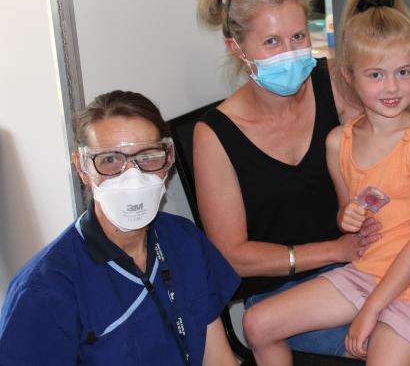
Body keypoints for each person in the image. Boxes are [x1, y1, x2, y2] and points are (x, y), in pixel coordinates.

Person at [194, 0, 410, 363]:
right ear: (237, 47)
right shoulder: (214, 134)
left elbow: (398, 173)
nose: (291, 52)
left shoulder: (335, 83)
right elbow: (232, 255)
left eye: (299, 36)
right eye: (272, 41)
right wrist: (334, 250)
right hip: (300, 279)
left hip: (374, 256)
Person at [244, 0, 410, 365]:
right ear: (350, 76)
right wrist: (348, 217)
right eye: (376, 74)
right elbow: (349, 215)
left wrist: (371, 311)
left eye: (403, 72)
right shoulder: (338, 143)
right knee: (257, 323)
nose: (391, 87)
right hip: (368, 270)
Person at [0, 90, 240, 365]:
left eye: (148, 156)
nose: (132, 176)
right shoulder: (46, 290)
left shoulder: (183, 241)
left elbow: (218, 357)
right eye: (111, 160)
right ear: (82, 168)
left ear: (168, 158)